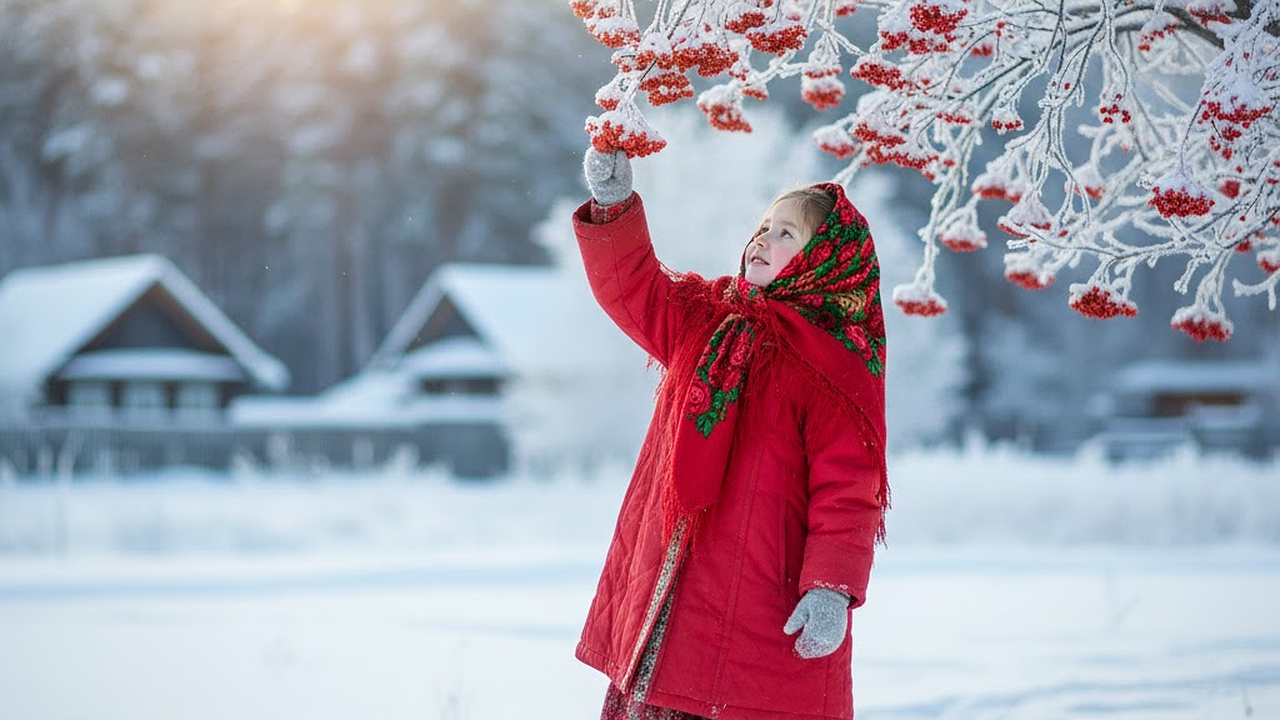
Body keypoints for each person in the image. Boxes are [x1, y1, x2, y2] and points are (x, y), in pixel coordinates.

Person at [573, 147, 889, 720]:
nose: (763, 239)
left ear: (825, 260)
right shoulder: (708, 318)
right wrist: (614, 206)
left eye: (787, 233)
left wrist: (831, 587)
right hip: (670, 603)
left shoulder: (833, 364)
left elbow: (849, 490)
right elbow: (636, 290)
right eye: (764, 226)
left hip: (759, 613)